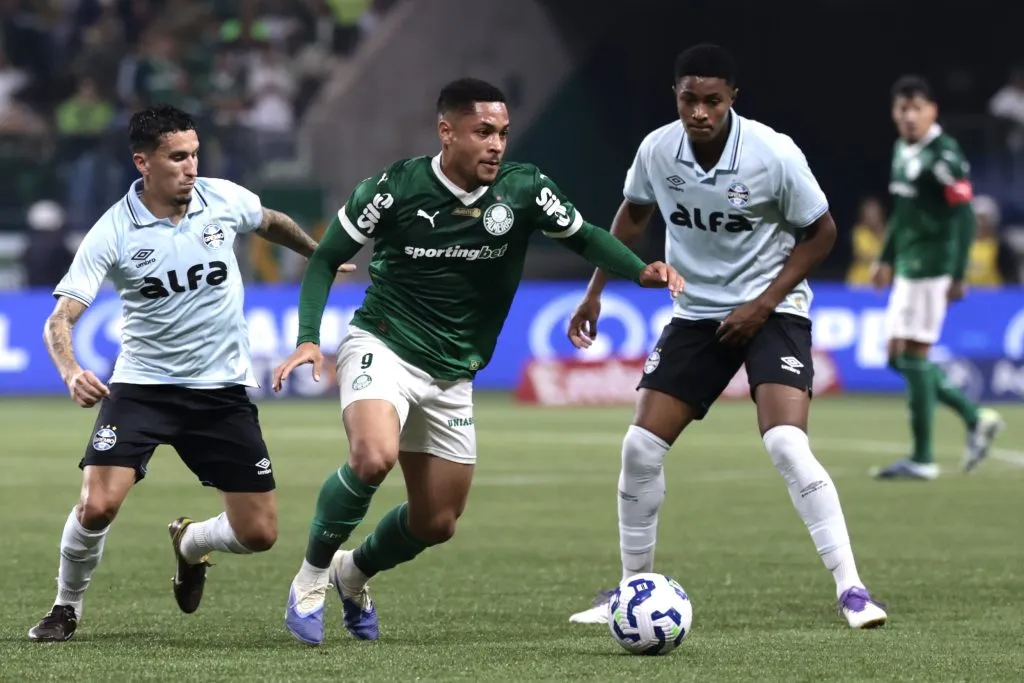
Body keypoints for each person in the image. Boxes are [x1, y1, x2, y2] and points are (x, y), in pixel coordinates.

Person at [273, 77, 684, 646]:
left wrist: (639, 269)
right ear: (448, 132)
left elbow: (585, 235)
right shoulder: (394, 189)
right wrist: (309, 337)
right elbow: (325, 260)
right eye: (483, 132)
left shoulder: (522, 190)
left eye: (503, 133)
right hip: (384, 345)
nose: (497, 144)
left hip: (453, 373)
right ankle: (311, 579)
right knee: (373, 458)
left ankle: (352, 572)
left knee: (436, 522)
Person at [564, 44, 887, 629]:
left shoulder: (773, 153)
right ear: (676, 97)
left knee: (787, 444)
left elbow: (822, 233)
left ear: (732, 99)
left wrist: (761, 305)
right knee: (639, 447)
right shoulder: (657, 150)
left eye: (713, 100)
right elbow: (632, 216)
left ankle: (853, 589)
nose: (700, 112)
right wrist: (595, 289)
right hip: (695, 315)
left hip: (776, 310)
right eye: (689, 99)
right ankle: (633, 588)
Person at [27, 104, 345, 642]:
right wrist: (70, 369)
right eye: (178, 157)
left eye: (195, 154)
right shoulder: (114, 231)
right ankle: (66, 606)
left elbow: (271, 222)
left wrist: (320, 255)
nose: (191, 167)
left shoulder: (223, 198)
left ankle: (191, 541)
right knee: (97, 504)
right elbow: (60, 317)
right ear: (143, 163)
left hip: (220, 393)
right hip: (143, 390)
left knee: (260, 534)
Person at [871, 76, 1004, 480]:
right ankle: (974, 416)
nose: (909, 116)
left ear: (933, 111)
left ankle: (924, 458)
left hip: (933, 268)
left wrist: (959, 272)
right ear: (894, 112)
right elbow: (902, 210)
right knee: (897, 356)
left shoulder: (943, 155)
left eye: (917, 108)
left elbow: (964, 214)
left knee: (912, 356)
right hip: (908, 266)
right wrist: (885, 257)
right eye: (902, 108)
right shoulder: (902, 149)